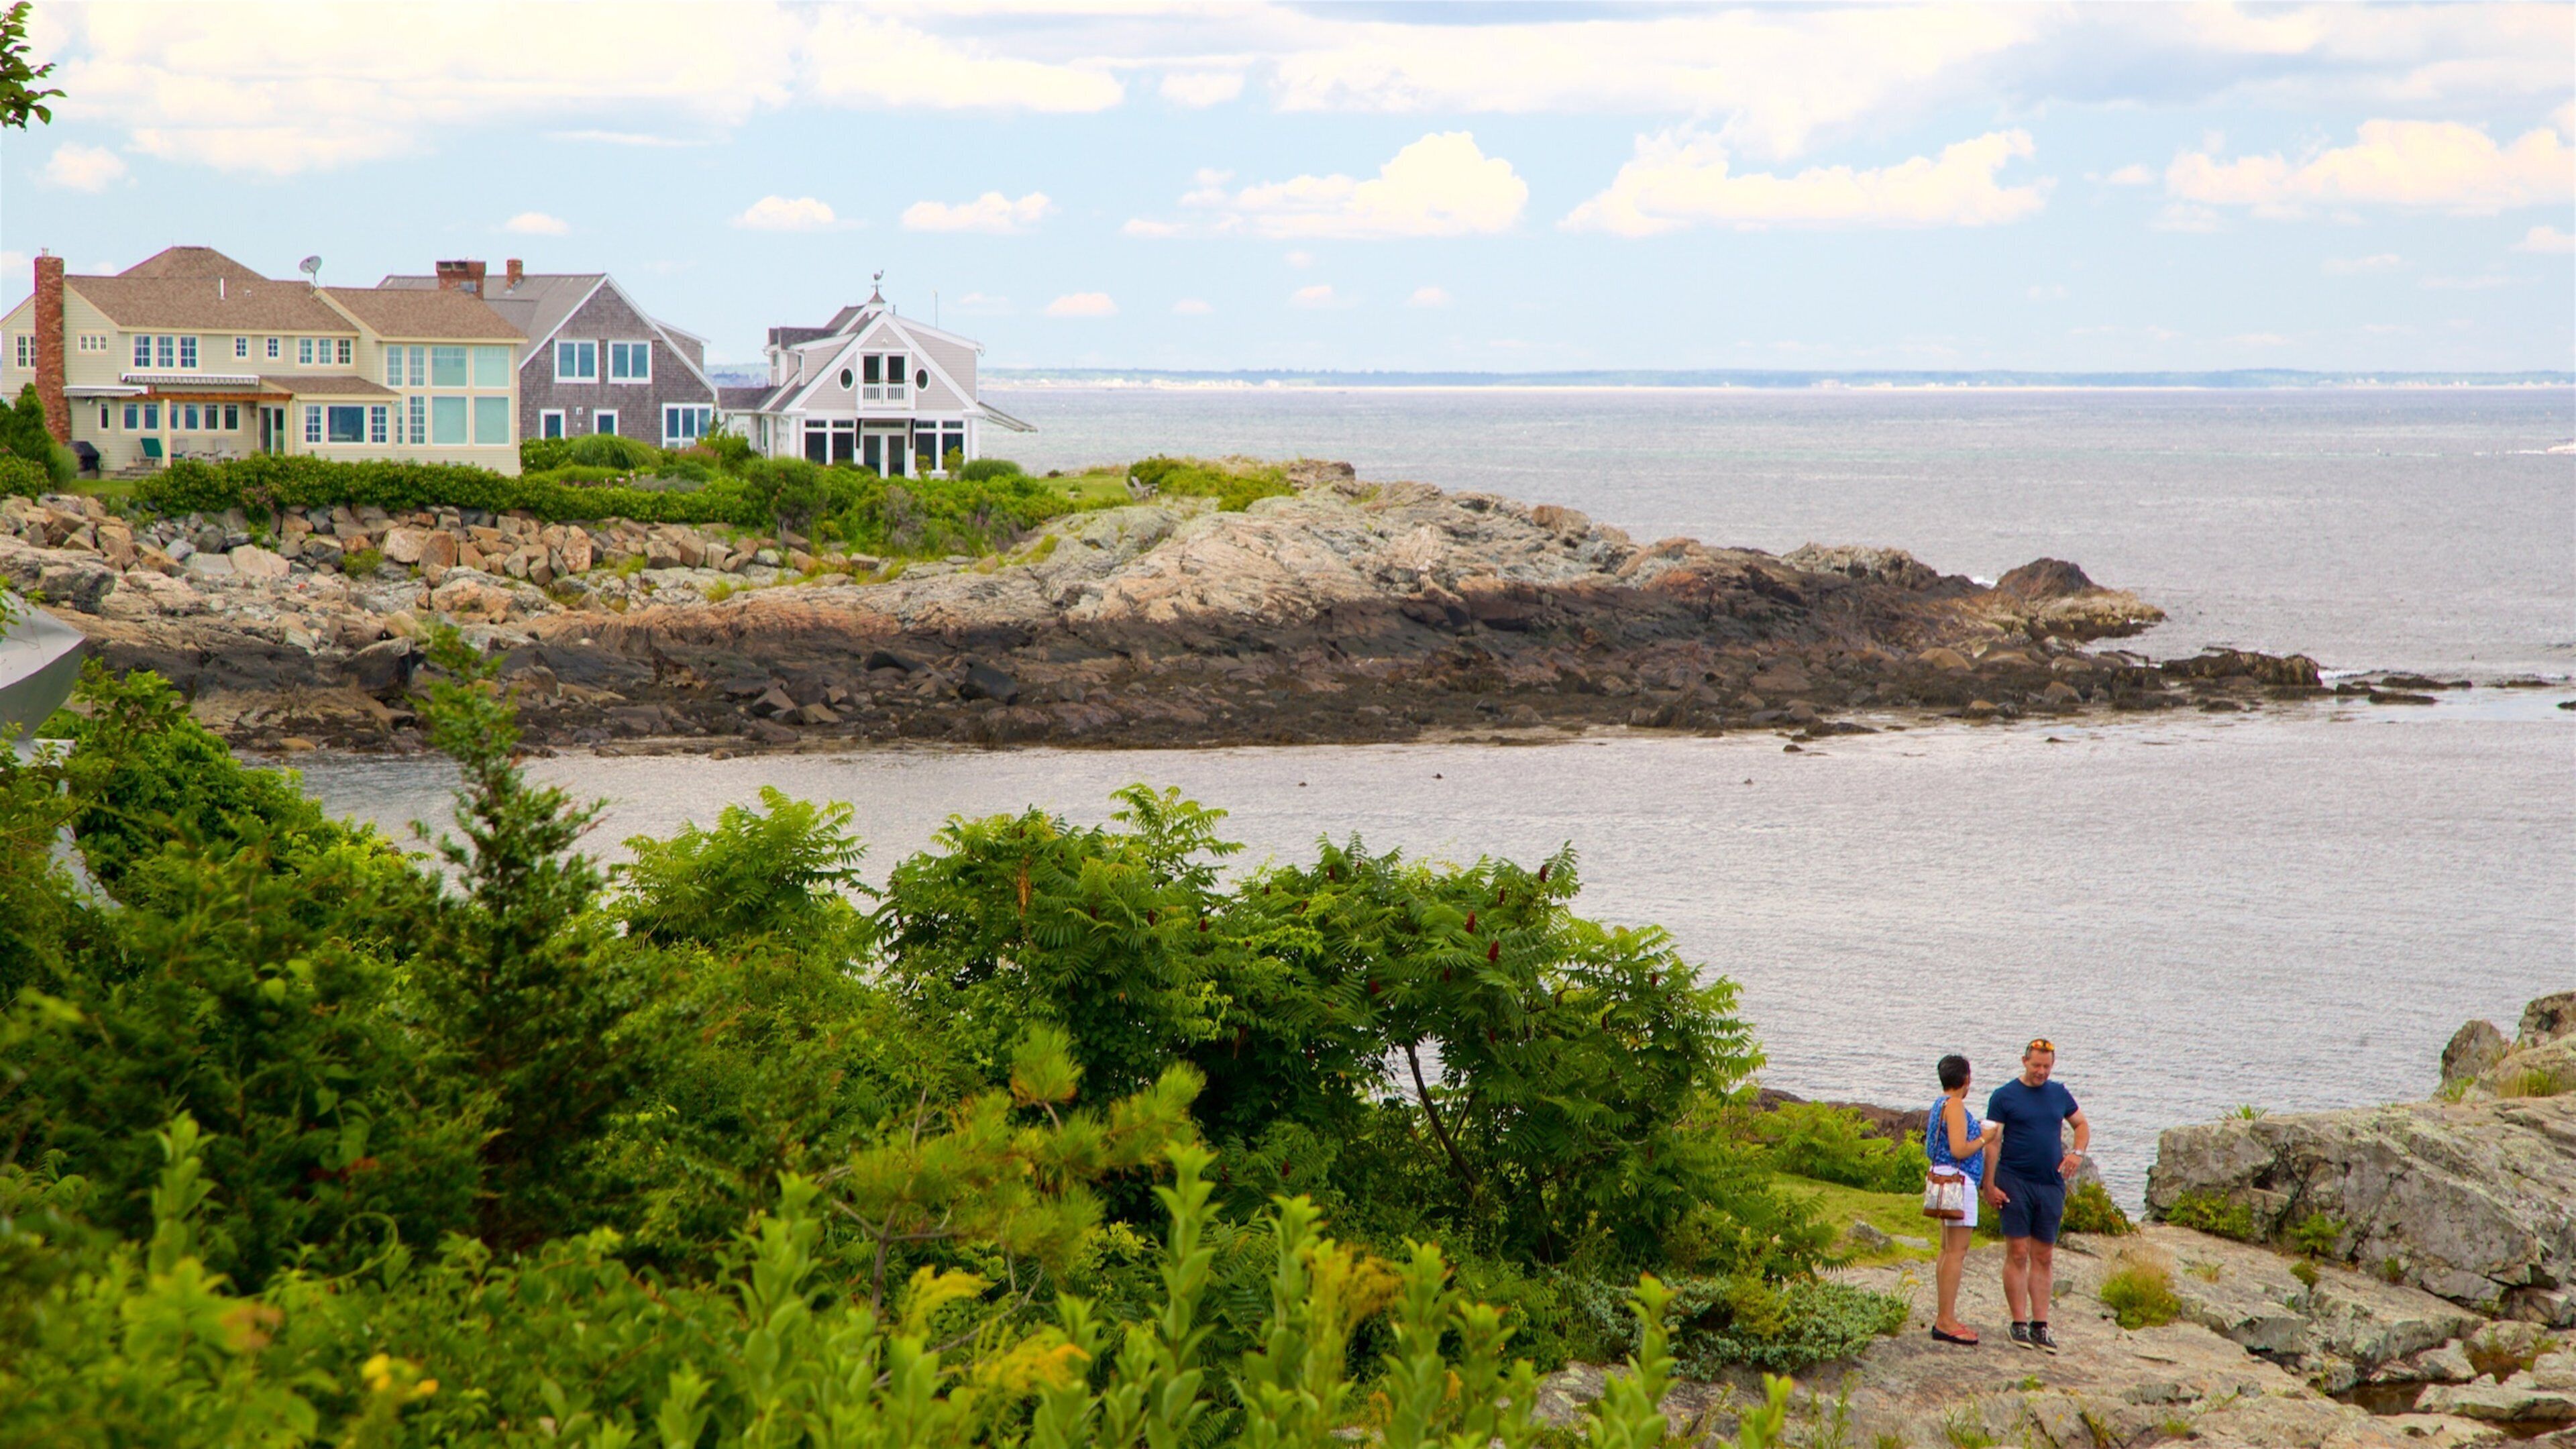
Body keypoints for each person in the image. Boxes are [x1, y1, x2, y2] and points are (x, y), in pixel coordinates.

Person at [1982, 1037, 2090, 1354]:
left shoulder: (2059, 1093)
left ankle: (2040, 1326)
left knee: (2044, 1255)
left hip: (2050, 1183)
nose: (2041, 1071)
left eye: (2047, 1066)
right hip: (2014, 1180)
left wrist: (2078, 1153)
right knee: (2017, 1252)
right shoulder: (2004, 1096)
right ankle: (2018, 1323)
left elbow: (2081, 1124)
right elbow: (1992, 1142)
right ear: (2024, 1061)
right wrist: (1989, 1185)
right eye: (2036, 1065)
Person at [1927, 1053, 2002, 1346]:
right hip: (1959, 1183)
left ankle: (1943, 1316)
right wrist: (1986, 1137)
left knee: (1947, 1251)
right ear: (1966, 1080)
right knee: (1956, 1253)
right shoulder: (1956, 1105)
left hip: (1944, 1179)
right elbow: (1959, 1149)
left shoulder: (1939, 1104)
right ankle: (1946, 1320)